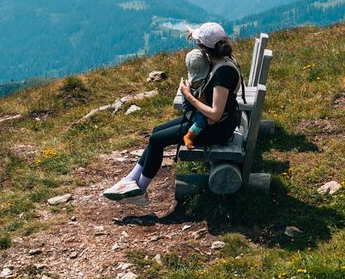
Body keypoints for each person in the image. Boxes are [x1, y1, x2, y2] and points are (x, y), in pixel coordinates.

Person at [103, 22, 242, 205]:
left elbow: (215, 114)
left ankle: (141, 190)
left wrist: (188, 95)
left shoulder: (224, 73)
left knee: (156, 140)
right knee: (156, 131)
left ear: (204, 47)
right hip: (209, 122)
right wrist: (193, 33)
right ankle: (129, 180)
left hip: (217, 129)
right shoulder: (221, 59)